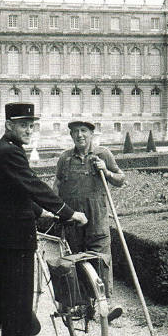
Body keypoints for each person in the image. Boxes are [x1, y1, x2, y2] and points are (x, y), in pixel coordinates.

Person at [0, 102, 87, 336]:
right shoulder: (10, 153)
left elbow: (16, 191)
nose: (29, 129)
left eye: (31, 125)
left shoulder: (0, 150)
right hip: (13, 238)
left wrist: (41, 213)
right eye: (23, 124)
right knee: (17, 295)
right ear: (9, 125)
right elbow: (33, 185)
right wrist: (68, 212)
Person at [54, 121, 125, 323]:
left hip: (97, 217)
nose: (80, 135)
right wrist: (54, 208)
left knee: (101, 259)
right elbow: (58, 184)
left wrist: (107, 171)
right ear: (71, 136)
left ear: (92, 133)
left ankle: (106, 305)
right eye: (75, 132)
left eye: (83, 131)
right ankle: (85, 306)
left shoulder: (103, 154)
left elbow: (120, 179)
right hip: (73, 219)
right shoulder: (65, 158)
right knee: (76, 260)